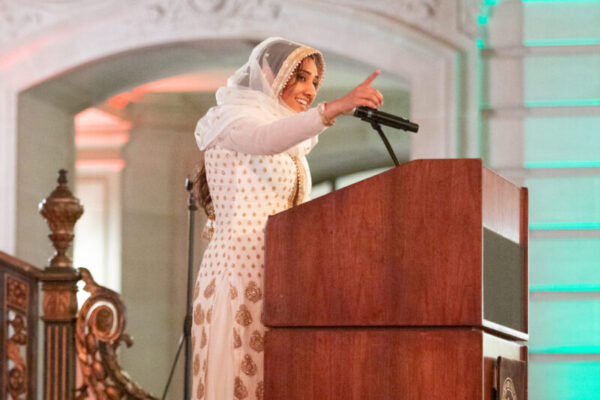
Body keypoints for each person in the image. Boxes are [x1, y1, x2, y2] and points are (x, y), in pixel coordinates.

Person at [191, 37, 383, 400]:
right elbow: (266, 139)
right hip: (239, 270)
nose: (309, 90)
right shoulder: (230, 120)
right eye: (301, 78)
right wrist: (334, 108)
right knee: (241, 381)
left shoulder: (293, 144)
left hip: (282, 275)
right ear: (268, 73)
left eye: (314, 82)